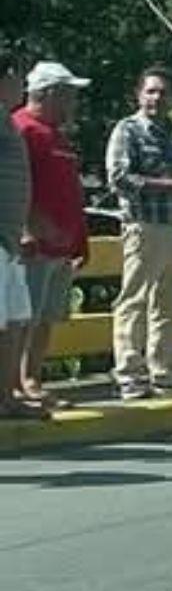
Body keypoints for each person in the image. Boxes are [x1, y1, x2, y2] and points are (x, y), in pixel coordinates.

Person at [105, 66, 172, 400]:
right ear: (139, 94)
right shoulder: (128, 130)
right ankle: (131, 375)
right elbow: (119, 177)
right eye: (151, 91)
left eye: (163, 92)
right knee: (134, 299)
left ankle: (165, 374)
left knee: (169, 303)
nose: (156, 98)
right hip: (144, 224)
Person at [13, 61, 90, 409]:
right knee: (23, 316)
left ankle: (33, 378)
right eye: (68, 94)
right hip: (34, 244)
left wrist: (80, 240)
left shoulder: (58, 136)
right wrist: (27, 229)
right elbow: (17, 186)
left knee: (47, 317)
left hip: (62, 246)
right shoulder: (21, 128)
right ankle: (14, 383)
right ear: (47, 93)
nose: (73, 102)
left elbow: (72, 193)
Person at [0, 53, 42, 420]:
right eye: (14, 77)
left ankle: (8, 396)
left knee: (16, 318)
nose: (19, 85)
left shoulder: (5, 121)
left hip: (10, 239)